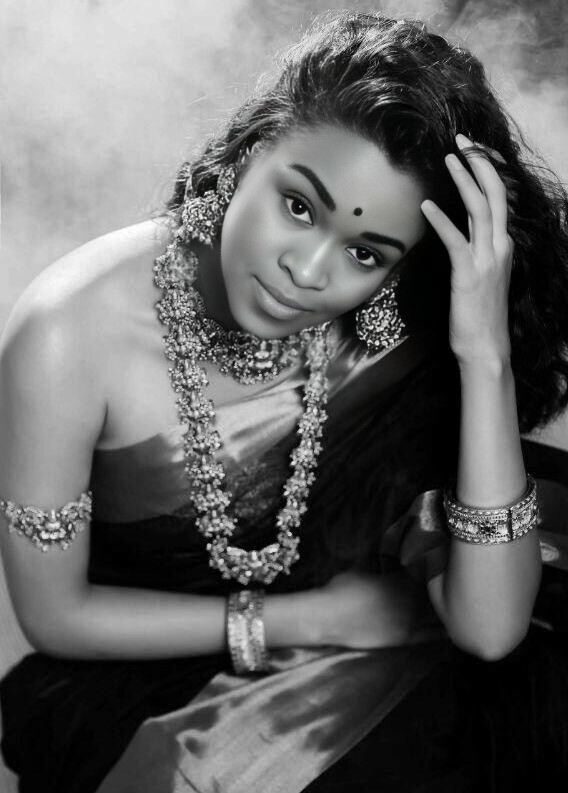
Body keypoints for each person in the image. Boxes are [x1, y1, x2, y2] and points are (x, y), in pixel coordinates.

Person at [1, 10, 568, 793]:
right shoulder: (68, 330)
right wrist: (307, 621)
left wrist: (485, 351)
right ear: (249, 151)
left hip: (395, 648)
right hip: (152, 668)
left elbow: (492, 627)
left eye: (363, 252)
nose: (308, 270)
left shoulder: (397, 340)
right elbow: (53, 615)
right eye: (299, 206)